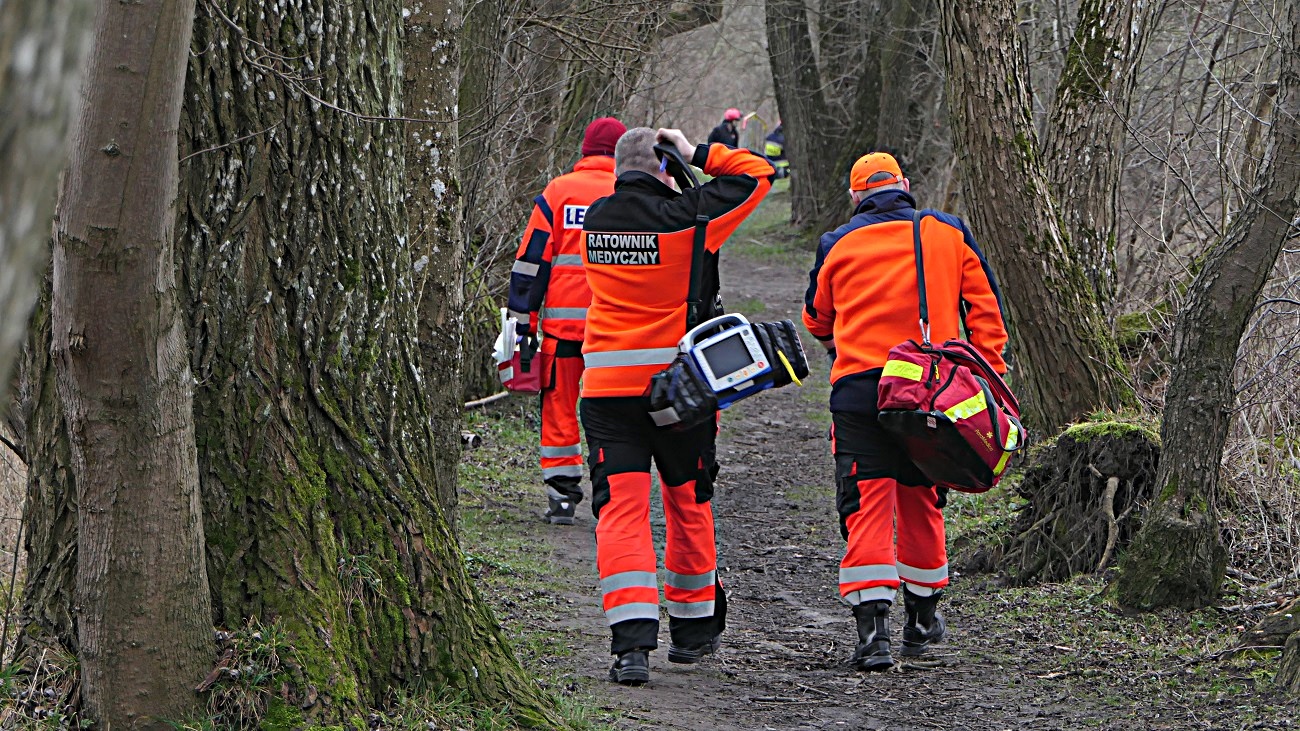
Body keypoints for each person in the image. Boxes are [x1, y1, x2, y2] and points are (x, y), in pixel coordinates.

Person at [580, 126, 774, 685]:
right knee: (689, 502)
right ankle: (692, 634)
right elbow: (758, 174)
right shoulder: (691, 218)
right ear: (665, 164)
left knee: (621, 512)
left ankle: (631, 647)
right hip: (680, 391)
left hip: (607, 392)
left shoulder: (595, 221)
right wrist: (696, 154)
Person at [802, 152, 1008, 671]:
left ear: (855, 196)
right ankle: (921, 620)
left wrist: (843, 346)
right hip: (932, 393)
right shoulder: (947, 233)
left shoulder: (836, 243)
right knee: (922, 498)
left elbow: (816, 317)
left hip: (861, 391)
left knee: (867, 501)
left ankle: (872, 633)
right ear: (905, 185)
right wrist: (984, 379)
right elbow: (986, 312)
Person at [507, 116, 626, 525]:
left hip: (563, 334)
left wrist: (523, 325)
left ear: (584, 151)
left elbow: (530, 265)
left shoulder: (559, 192)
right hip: (616, 335)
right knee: (612, 414)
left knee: (559, 412)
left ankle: (562, 497)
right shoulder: (631, 193)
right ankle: (611, 494)